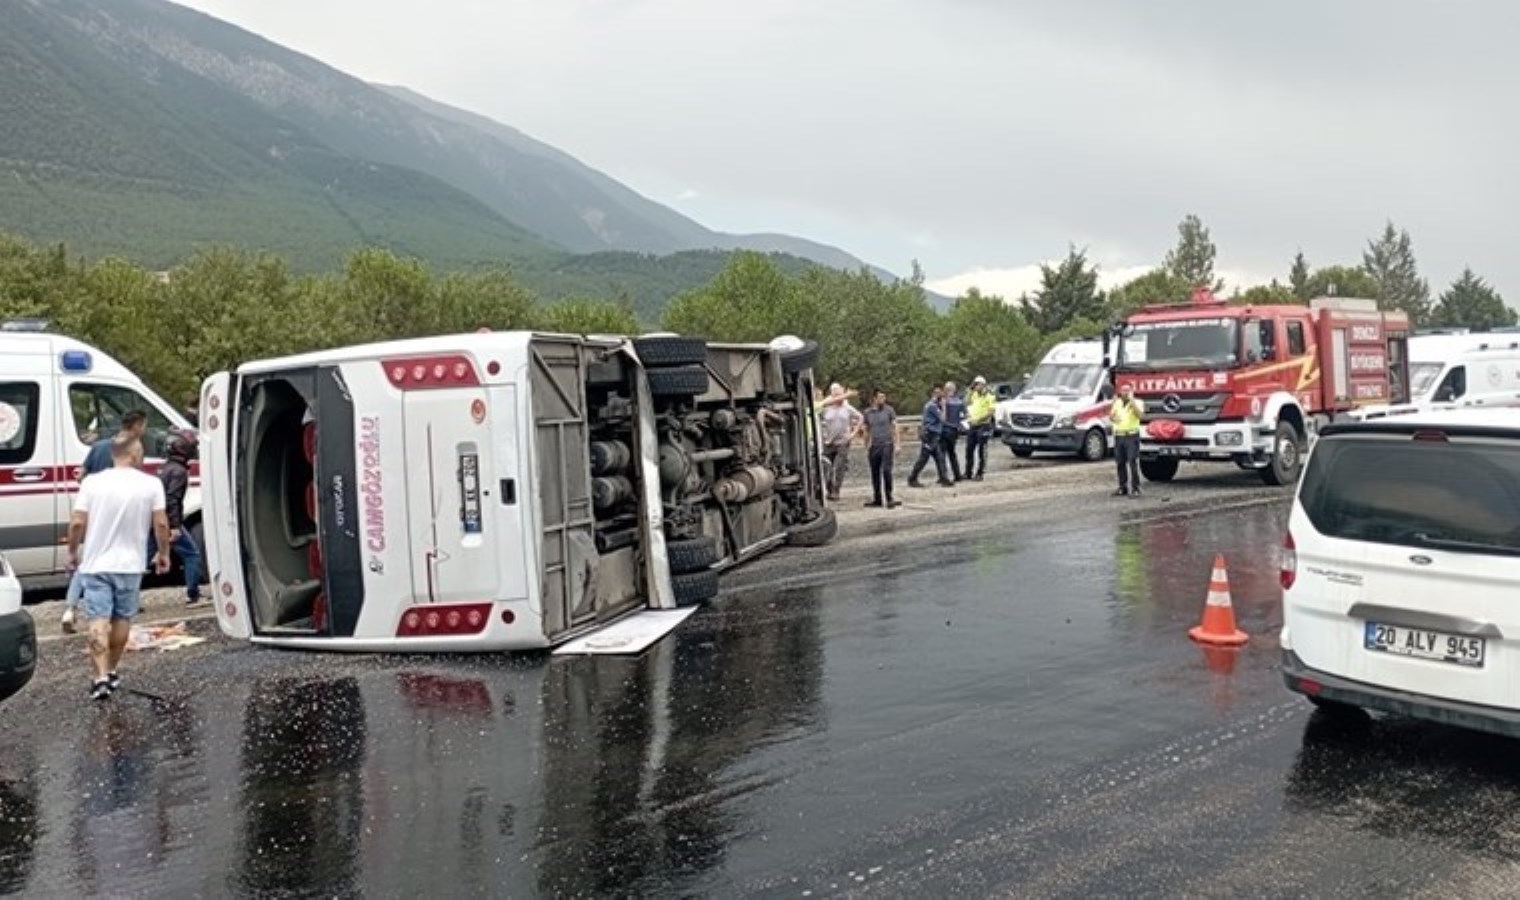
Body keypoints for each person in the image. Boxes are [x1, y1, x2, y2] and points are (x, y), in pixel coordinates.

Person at [67, 437, 171, 701]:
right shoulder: (151, 484)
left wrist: (72, 551)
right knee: (122, 620)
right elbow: (160, 524)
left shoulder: (91, 483)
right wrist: (163, 553)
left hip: (95, 564)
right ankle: (112, 669)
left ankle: (99, 677)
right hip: (130, 565)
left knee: (98, 621)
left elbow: (78, 522)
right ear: (135, 455)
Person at [61, 410, 150, 635]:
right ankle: (122, 605)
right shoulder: (133, 449)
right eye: (144, 425)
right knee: (123, 557)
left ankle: (70, 607)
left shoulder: (99, 446)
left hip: (95, 511)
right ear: (137, 425)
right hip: (123, 513)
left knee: (90, 561)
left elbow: (81, 474)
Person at [149, 430, 202, 606]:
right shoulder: (179, 472)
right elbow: (173, 500)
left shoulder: (165, 468)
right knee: (192, 554)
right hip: (167, 522)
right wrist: (175, 526)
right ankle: (193, 594)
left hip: (154, 520)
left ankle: (126, 599)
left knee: (141, 559)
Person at [818, 383, 864, 501]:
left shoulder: (847, 408)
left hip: (843, 442)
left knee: (839, 467)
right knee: (826, 467)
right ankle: (829, 489)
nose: (838, 397)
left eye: (839, 394)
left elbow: (860, 417)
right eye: (835, 394)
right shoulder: (826, 407)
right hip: (828, 442)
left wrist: (853, 434)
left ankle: (836, 490)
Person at [861, 389, 901, 509]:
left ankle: (889, 497)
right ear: (874, 399)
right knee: (875, 473)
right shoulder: (868, 413)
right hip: (874, 445)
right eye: (880, 397)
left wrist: (898, 444)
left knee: (886, 471)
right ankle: (877, 498)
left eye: (884, 397)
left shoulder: (889, 410)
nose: (883, 399)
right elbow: (866, 430)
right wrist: (866, 445)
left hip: (887, 444)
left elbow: (895, 427)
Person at [907, 386, 952, 488]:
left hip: (934, 434)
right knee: (923, 458)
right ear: (933, 394)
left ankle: (943, 478)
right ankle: (912, 478)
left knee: (939, 457)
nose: (941, 395)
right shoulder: (932, 406)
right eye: (938, 393)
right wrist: (944, 406)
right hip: (930, 435)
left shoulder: (933, 405)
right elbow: (943, 419)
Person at [1110, 382, 1146, 497]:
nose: (1125, 392)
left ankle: (1136, 488)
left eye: (1127, 390)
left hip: (1131, 435)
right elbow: (1111, 416)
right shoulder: (1117, 403)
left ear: (1132, 391)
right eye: (1123, 390)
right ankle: (1122, 486)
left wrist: (1132, 402)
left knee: (1132, 461)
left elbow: (1140, 415)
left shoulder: (1138, 402)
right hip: (1119, 435)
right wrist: (1113, 415)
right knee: (1120, 462)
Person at [963, 376, 997, 482]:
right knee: (969, 449)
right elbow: (966, 403)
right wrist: (969, 391)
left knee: (982, 450)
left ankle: (980, 473)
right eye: (975, 384)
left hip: (983, 425)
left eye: (977, 384)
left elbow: (991, 411)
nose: (976, 386)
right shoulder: (974, 394)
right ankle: (968, 472)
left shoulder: (989, 395)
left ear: (983, 385)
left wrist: (980, 419)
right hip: (973, 424)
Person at [940, 381, 965, 482]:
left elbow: (943, 418)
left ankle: (943, 476)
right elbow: (965, 414)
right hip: (955, 430)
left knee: (942, 454)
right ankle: (957, 474)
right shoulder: (959, 401)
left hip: (945, 429)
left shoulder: (945, 401)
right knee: (952, 453)